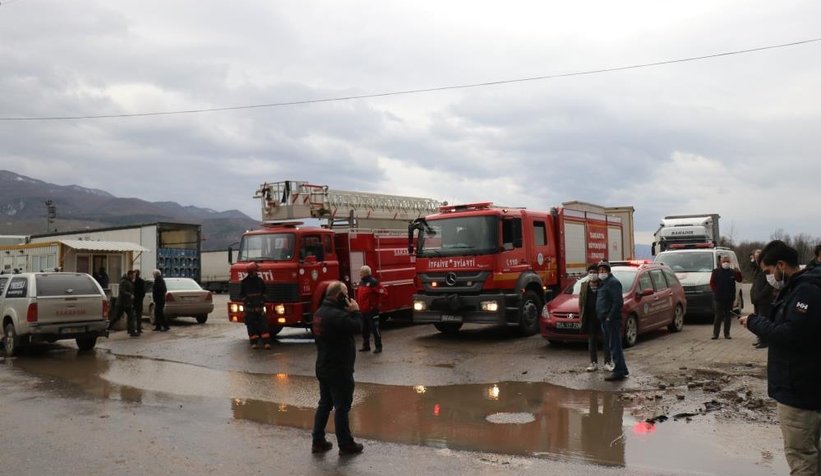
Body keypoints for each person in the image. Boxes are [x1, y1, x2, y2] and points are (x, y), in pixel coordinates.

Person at [739, 240, 821, 475]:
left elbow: (789, 334)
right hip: (806, 385)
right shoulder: (800, 287)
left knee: (801, 457)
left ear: (781, 265)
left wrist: (754, 322)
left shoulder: (806, 291)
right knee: (812, 453)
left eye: (768, 271)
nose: (768, 277)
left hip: (799, 390)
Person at [311, 281, 364, 455]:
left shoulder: (320, 313)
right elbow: (357, 327)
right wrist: (355, 311)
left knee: (325, 404)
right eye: (345, 294)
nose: (348, 297)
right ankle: (346, 444)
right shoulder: (337, 316)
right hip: (339, 368)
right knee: (342, 407)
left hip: (323, 365)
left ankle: (318, 440)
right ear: (339, 296)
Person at [596, 261, 628, 381]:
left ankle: (618, 371)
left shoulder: (613, 283)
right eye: (600, 271)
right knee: (613, 345)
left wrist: (610, 316)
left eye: (603, 270)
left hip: (611, 320)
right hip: (604, 319)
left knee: (615, 346)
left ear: (608, 271)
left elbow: (618, 302)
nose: (601, 272)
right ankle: (622, 369)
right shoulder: (603, 283)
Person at [579, 264, 611, 372]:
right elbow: (581, 302)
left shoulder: (603, 285)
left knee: (606, 340)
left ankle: (607, 362)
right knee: (592, 340)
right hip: (590, 318)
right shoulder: (584, 286)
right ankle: (593, 363)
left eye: (594, 272)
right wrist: (582, 315)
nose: (592, 274)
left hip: (602, 317)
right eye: (590, 272)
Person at [709, 256, 742, 340]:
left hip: (729, 298)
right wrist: (715, 291)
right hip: (719, 298)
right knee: (718, 316)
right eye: (724, 261)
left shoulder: (732, 272)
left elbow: (739, 280)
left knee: (728, 316)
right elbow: (712, 283)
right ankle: (715, 334)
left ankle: (727, 334)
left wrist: (738, 272)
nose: (725, 263)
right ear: (721, 262)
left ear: (729, 262)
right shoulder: (716, 272)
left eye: (727, 261)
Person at [239, 262, 270, 349]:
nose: (257, 272)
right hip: (250, 310)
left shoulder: (260, 281)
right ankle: (254, 343)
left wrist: (262, 301)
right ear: (252, 272)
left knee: (263, 326)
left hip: (260, 308)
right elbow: (242, 295)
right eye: (256, 270)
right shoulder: (244, 282)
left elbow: (265, 292)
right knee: (251, 326)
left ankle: (266, 343)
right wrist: (248, 303)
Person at [749, 249, 776, 349]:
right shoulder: (757, 269)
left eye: (758, 257)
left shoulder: (766, 268)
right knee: (758, 320)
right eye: (756, 257)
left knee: (763, 320)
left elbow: (769, 285)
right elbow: (752, 266)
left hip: (764, 300)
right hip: (757, 300)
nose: (757, 259)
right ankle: (760, 339)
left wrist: (760, 295)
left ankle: (764, 341)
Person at [356, 265, 386, 354]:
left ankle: (378, 346)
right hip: (363, 310)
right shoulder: (361, 282)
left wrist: (378, 304)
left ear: (365, 273)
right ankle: (366, 346)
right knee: (364, 329)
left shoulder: (373, 282)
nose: (360, 274)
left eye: (361, 272)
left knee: (375, 329)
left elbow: (384, 293)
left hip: (372, 310)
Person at [112, 270, 138, 336]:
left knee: (131, 316)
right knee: (117, 317)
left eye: (134, 275)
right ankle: (108, 326)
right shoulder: (123, 281)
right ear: (129, 275)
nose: (134, 277)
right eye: (133, 275)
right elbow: (122, 291)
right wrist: (130, 295)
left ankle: (132, 331)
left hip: (128, 303)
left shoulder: (130, 281)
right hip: (121, 303)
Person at [132, 270, 146, 334]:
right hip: (139, 301)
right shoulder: (141, 281)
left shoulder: (133, 281)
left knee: (133, 315)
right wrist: (141, 298)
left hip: (134, 300)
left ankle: (132, 328)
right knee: (138, 315)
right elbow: (143, 292)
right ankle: (138, 328)